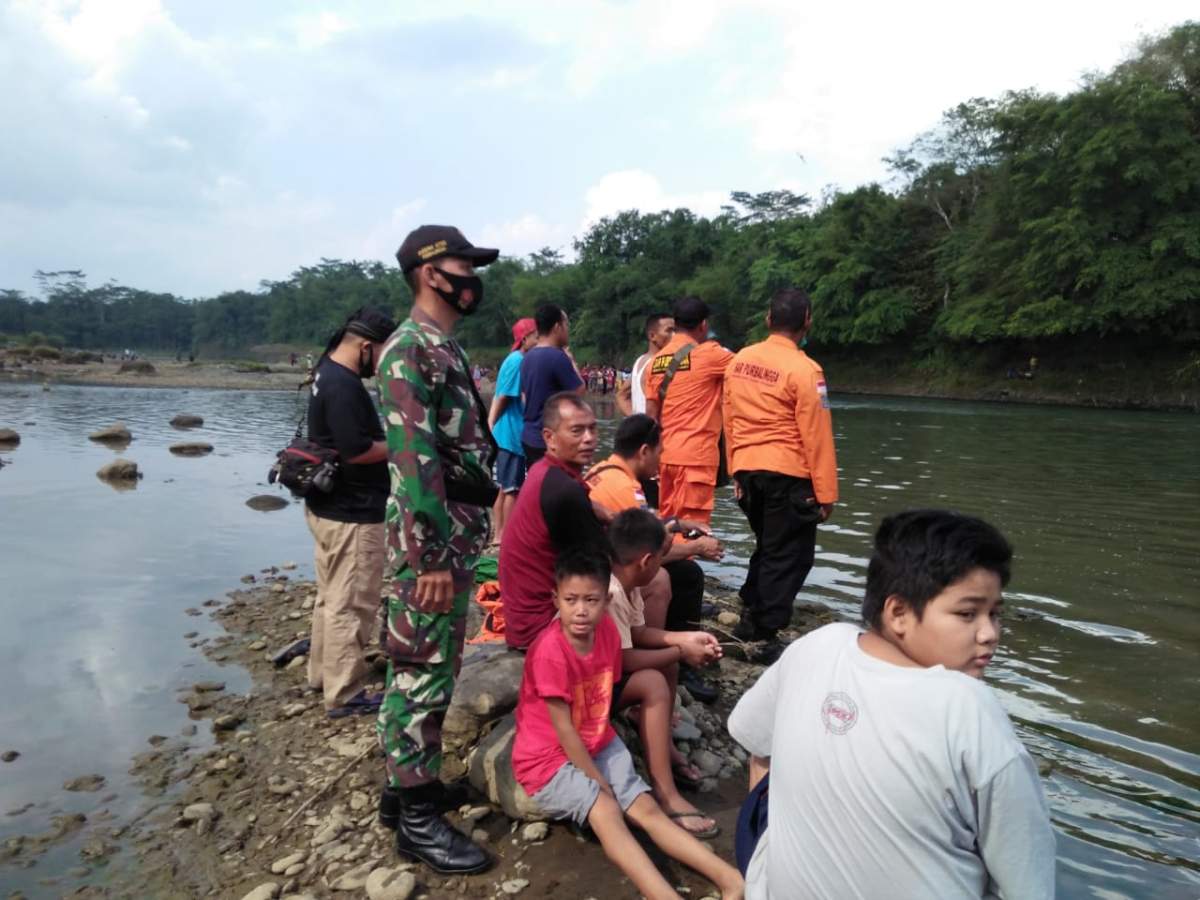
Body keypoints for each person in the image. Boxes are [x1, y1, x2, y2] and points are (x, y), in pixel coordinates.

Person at [727, 509, 1055, 900]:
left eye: (995, 614)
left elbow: (756, 747)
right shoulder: (967, 706)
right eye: (967, 614)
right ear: (898, 612)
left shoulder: (819, 644)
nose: (989, 634)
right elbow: (1029, 884)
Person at [512, 548, 745, 900]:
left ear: (606, 599)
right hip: (548, 759)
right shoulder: (550, 652)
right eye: (571, 600)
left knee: (646, 807)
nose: (580, 610)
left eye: (590, 600)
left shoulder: (606, 630)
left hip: (597, 738)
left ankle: (731, 880)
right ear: (555, 598)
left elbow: (604, 692)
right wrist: (597, 780)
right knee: (606, 809)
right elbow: (564, 730)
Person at [376, 224, 500, 874]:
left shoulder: (441, 347)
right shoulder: (408, 350)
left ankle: (406, 792)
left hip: (453, 541)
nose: (473, 276)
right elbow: (412, 460)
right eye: (464, 265)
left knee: (434, 667)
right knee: (420, 674)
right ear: (429, 272)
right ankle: (415, 822)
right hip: (432, 548)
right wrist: (426, 558)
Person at [722, 287, 838, 665]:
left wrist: (735, 469)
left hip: (749, 471)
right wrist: (826, 494)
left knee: (771, 546)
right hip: (788, 474)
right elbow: (816, 435)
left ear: (769, 320)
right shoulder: (806, 370)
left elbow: (730, 416)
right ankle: (764, 634)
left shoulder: (740, 361)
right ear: (807, 322)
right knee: (791, 555)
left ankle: (750, 610)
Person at [585, 413, 723, 702]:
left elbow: (644, 528)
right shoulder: (626, 488)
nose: (660, 461)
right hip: (603, 569)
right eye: (659, 453)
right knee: (683, 574)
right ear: (644, 451)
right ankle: (673, 659)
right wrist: (698, 548)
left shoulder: (605, 469)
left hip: (594, 559)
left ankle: (673, 647)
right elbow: (649, 548)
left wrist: (677, 523)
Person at [606, 509, 724, 837]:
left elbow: (640, 632)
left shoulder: (629, 583)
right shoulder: (612, 592)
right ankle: (667, 794)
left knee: (666, 663)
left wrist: (681, 639)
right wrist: (680, 652)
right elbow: (625, 661)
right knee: (655, 679)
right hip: (590, 688)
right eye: (661, 559)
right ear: (646, 561)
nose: (661, 568)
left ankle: (663, 753)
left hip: (606, 674)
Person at [303, 307, 397, 718]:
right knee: (353, 602)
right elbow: (357, 451)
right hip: (352, 513)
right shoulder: (344, 386)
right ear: (365, 346)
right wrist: (403, 444)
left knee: (330, 596)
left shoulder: (326, 372)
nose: (381, 367)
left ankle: (323, 674)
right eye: (381, 357)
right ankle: (344, 691)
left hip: (329, 507)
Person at [499, 392, 604, 649]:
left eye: (592, 429)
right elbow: (607, 562)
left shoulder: (542, 471)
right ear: (549, 438)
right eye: (577, 431)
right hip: (540, 626)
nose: (589, 439)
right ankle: (624, 672)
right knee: (656, 580)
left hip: (521, 619)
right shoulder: (563, 490)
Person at [644, 297, 734, 528]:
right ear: (704, 325)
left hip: (665, 457)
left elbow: (650, 416)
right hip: (696, 459)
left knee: (668, 525)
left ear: (676, 323)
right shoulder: (711, 355)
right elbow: (745, 369)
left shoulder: (657, 361)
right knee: (693, 529)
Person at [487, 317, 537, 545]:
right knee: (511, 489)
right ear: (525, 339)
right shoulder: (517, 361)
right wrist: (490, 424)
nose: (539, 340)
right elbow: (504, 396)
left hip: (507, 434)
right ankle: (504, 535)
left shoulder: (517, 359)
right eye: (536, 336)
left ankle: (499, 534)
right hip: (509, 434)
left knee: (504, 487)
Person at [519, 303, 584, 465]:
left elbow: (524, 397)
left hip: (529, 436)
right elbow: (579, 391)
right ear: (557, 327)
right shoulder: (557, 357)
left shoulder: (527, 357)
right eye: (566, 324)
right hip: (550, 441)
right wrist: (571, 360)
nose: (568, 330)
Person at [617, 312, 674, 417]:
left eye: (675, 331)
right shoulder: (659, 364)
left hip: (642, 430)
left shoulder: (641, 360)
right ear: (652, 336)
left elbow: (622, 395)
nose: (674, 336)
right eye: (669, 331)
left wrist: (635, 420)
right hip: (654, 430)